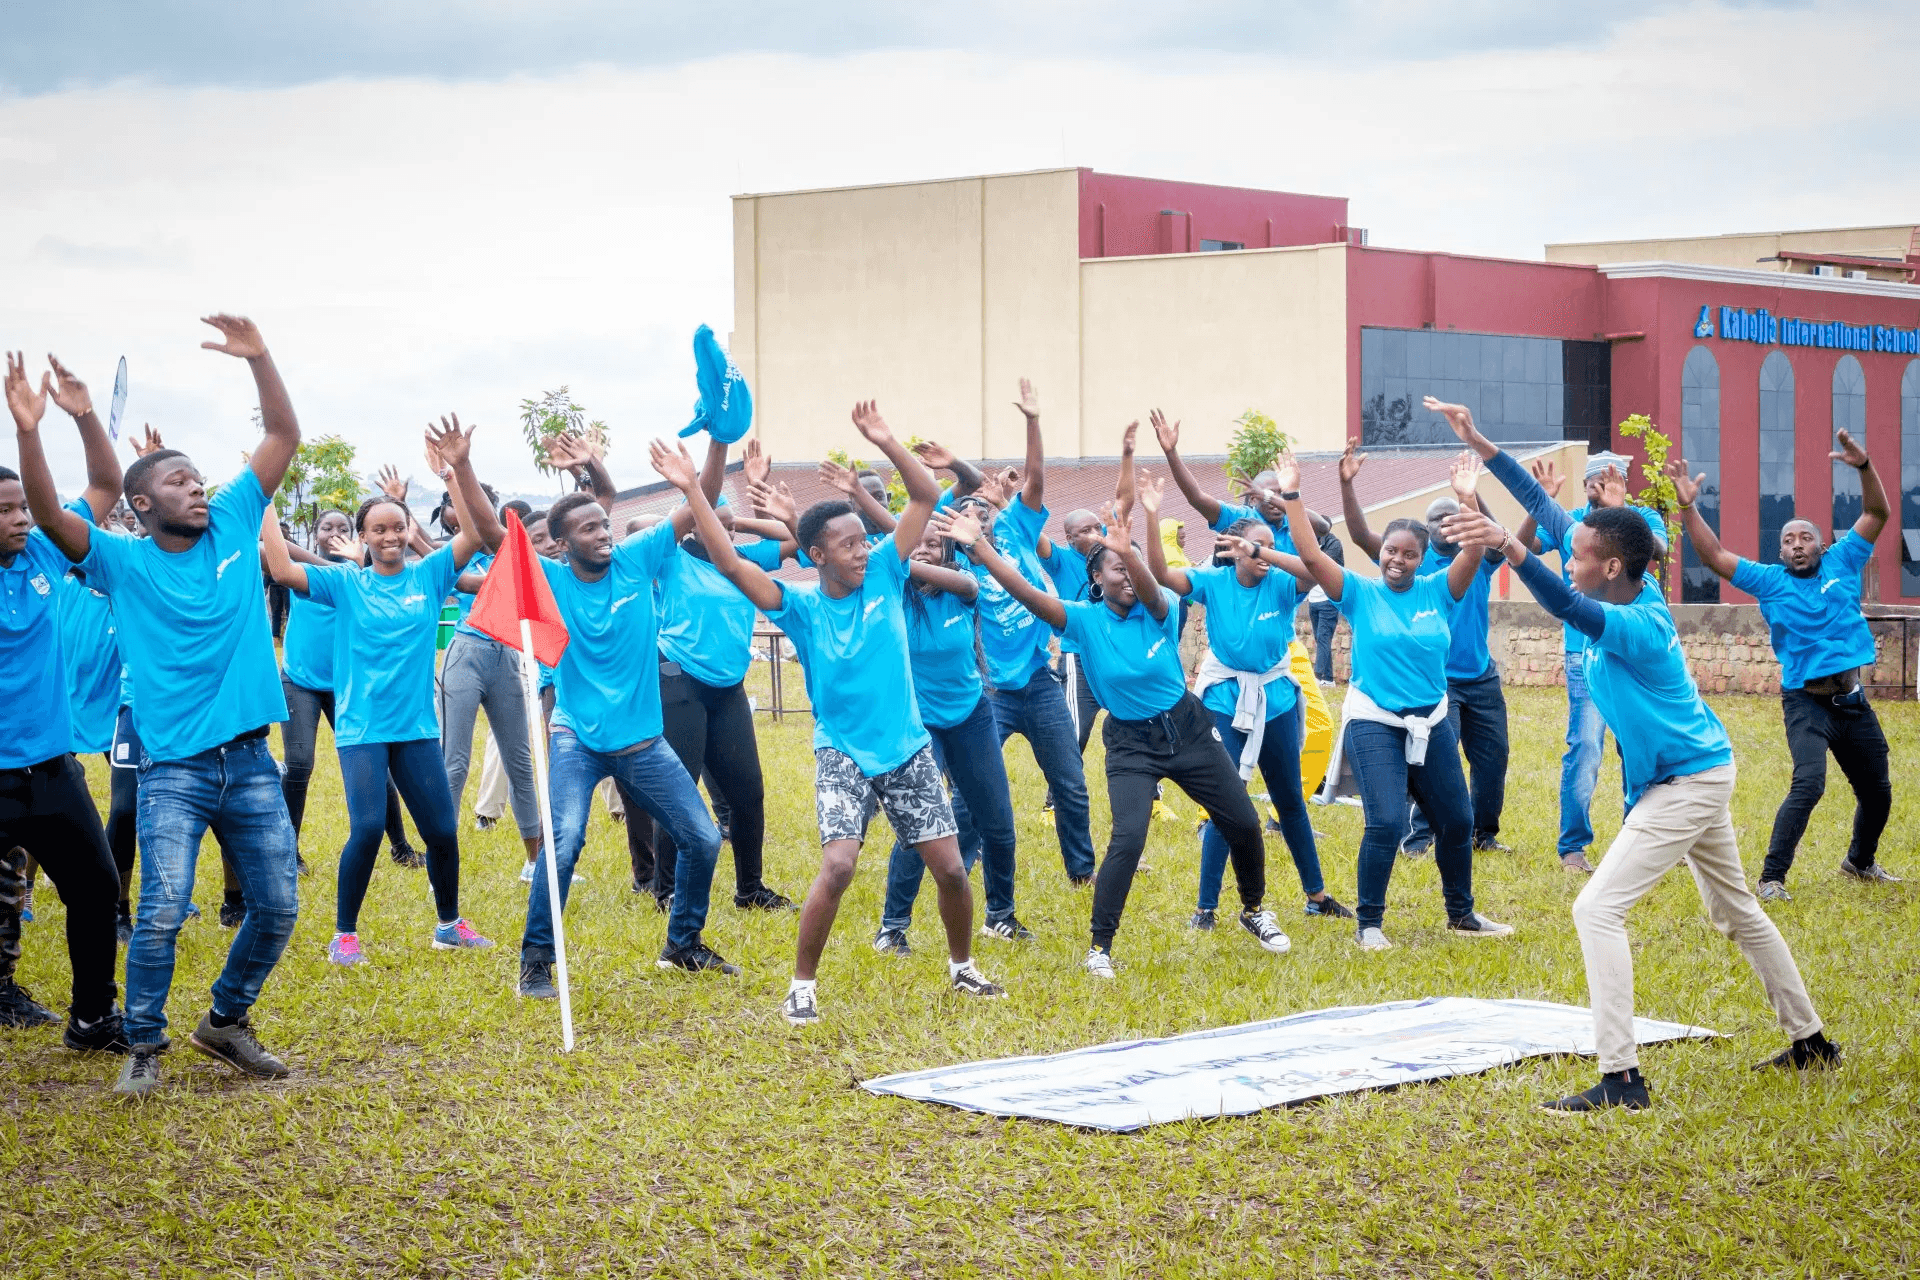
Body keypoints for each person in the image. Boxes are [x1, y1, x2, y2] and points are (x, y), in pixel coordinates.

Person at [1433, 432, 1836, 1115]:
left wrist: (1507, 544)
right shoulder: (1612, 577)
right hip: (1697, 771)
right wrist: (1481, 443)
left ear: (1614, 565)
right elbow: (1542, 504)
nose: (1569, 563)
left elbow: (1563, 605)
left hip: (1690, 782)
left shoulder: (1636, 623)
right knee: (1735, 910)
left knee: (1597, 908)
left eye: (1579, 558)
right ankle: (1811, 1042)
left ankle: (1621, 1079)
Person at [15, 317, 304, 1096]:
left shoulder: (239, 519)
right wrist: (46, 428)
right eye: (178, 481)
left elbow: (283, 432)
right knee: (162, 911)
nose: (198, 485)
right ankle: (144, 1042)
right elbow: (49, 516)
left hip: (249, 760)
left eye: (198, 476)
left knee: (277, 908)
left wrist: (260, 357)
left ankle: (225, 1021)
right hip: (171, 768)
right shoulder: (120, 561)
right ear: (141, 502)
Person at [665, 404, 1005, 1025]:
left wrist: (886, 440)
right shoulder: (799, 607)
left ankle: (963, 968)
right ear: (815, 555)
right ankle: (802, 986)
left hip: (906, 748)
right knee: (840, 865)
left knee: (953, 871)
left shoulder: (885, 575)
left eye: (862, 541)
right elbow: (733, 564)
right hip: (842, 750)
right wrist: (692, 488)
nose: (860, 552)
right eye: (846, 545)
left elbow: (925, 495)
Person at [940, 469, 1295, 979]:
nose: (1126, 577)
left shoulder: (1159, 610)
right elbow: (1023, 592)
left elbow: (1152, 586)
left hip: (1188, 729)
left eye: (1129, 569)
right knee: (1127, 841)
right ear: (1096, 580)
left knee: (1242, 820)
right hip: (1132, 744)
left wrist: (1132, 544)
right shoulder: (1083, 620)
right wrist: (981, 551)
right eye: (1114, 570)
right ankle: (1099, 947)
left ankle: (1253, 909)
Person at [447, 433, 734, 1001]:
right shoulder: (548, 579)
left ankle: (683, 945)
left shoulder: (637, 557)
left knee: (702, 838)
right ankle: (535, 961)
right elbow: (490, 535)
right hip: (576, 738)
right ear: (560, 542)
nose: (603, 535)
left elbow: (706, 499)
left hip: (644, 742)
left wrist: (707, 456)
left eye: (604, 526)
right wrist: (463, 465)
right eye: (588, 529)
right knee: (566, 838)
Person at [261, 423, 496, 967]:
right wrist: (265, 501)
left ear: (408, 528)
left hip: (415, 727)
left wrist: (457, 468)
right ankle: (345, 934)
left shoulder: (430, 575)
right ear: (362, 538)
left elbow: (477, 535)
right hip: (363, 727)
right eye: (378, 530)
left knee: (441, 829)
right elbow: (279, 567)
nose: (390, 537)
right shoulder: (346, 583)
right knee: (367, 828)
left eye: (397, 527)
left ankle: (448, 924)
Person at [1283, 446, 1513, 952]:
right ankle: (1369, 924)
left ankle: (1462, 914)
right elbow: (1310, 552)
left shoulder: (1438, 589)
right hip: (1375, 721)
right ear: (1380, 551)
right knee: (1385, 821)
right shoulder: (1360, 593)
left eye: (1409, 554)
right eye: (1392, 551)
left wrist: (1467, 497)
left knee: (1458, 819)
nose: (1399, 561)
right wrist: (1293, 492)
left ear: (1422, 557)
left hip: (1430, 721)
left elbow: (1474, 550)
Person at [1664, 433, 1897, 899]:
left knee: (1878, 790)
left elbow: (1877, 514)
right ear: (1779, 551)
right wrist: (1689, 508)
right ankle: (1772, 878)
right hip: (1806, 703)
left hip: (1852, 701)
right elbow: (1714, 556)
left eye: (1805, 537)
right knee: (1808, 784)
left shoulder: (1844, 560)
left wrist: (1865, 466)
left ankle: (1860, 861)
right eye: (1787, 538)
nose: (1796, 544)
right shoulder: (1770, 582)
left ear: (1819, 544)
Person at [1138, 474, 1352, 928]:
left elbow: (1318, 559)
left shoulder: (1281, 581)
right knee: (1227, 802)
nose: (1264, 555)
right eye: (1256, 546)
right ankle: (1206, 908)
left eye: (1270, 547)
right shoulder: (1213, 582)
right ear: (1234, 549)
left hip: (1274, 697)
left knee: (1290, 799)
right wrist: (1153, 513)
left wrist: (1278, 514)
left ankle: (1316, 894)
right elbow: (1161, 576)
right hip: (1224, 699)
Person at [914, 383, 1097, 886]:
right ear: (955, 526)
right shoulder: (951, 567)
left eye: (985, 509)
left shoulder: (1016, 528)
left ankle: (1083, 873)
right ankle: (962, 869)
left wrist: (1033, 421)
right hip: (987, 691)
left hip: (1039, 682)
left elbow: (1035, 479)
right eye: (968, 510)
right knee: (976, 793)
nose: (979, 513)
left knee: (1070, 783)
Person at [0, 352, 125, 1050]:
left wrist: (70, 418)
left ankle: (92, 1018)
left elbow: (106, 482)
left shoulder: (45, 557)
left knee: (95, 890)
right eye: (6, 511)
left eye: (23, 507)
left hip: (50, 770)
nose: (21, 520)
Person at [629, 429, 793, 915]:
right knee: (679, 792)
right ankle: (665, 889)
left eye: (730, 526)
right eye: (712, 522)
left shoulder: (743, 560)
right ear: (692, 525)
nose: (725, 532)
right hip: (678, 682)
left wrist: (736, 515)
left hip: (728, 689)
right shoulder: (672, 556)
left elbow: (793, 540)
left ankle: (750, 889)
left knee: (748, 792)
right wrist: (701, 484)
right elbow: (641, 521)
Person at [1342, 443, 1511, 855]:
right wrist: (1346, 485)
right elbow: (1361, 535)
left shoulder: (1467, 565)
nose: (1444, 523)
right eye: (1436, 518)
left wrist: (1469, 495)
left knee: (1493, 756)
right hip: (1438, 684)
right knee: (1432, 756)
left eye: (1451, 516)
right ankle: (1419, 835)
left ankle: (1482, 834)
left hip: (1480, 674)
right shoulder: (1414, 564)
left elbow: (1498, 540)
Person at [873, 519, 1029, 953]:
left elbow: (960, 580)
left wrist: (902, 557)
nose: (921, 551)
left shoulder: (964, 588)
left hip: (972, 715)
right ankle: (892, 927)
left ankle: (1000, 916)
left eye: (931, 545)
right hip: (918, 722)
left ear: (948, 553)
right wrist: (896, 558)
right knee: (921, 826)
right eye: (913, 544)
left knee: (997, 820)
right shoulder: (892, 595)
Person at [1516, 448, 1669, 873]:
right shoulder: (1575, 522)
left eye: (1606, 482)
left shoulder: (1642, 518)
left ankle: (1639, 835)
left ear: (1621, 483)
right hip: (1584, 650)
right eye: (1591, 484)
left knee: (1637, 744)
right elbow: (1526, 546)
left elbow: (1657, 550)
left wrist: (1620, 512)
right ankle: (1572, 847)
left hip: (1632, 647)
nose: (1596, 491)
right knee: (1585, 745)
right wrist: (1536, 504)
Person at [278, 506, 423, 881]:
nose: (335, 532)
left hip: (347, 686)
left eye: (343, 527)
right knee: (298, 764)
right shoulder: (307, 573)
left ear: (357, 535)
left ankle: (400, 846)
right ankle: (287, 852)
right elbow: (274, 554)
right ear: (316, 534)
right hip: (301, 682)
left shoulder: (364, 577)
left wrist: (357, 565)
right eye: (327, 527)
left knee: (378, 765)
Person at [1305, 512, 1345, 685]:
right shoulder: (1312, 542)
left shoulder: (1333, 544)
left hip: (1329, 599)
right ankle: (1327, 679)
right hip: (1313, 599)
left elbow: (1318, 564)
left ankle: (1319, 676)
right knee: (1319, 638)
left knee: (1323, 636)